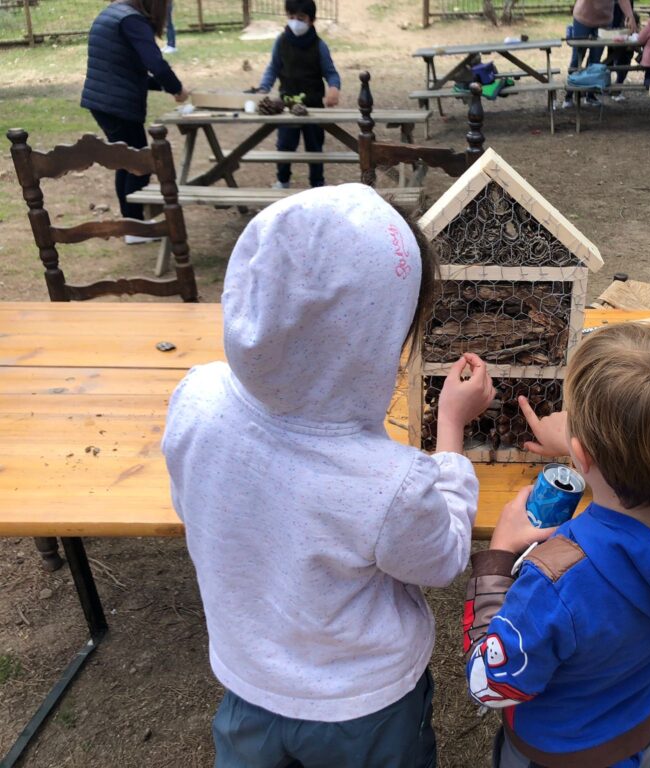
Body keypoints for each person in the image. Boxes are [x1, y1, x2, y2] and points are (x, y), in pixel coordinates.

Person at [163, 184, 494, 768]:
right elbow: (442, 558)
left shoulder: (197, 396)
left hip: (250, 686)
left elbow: (199, 501)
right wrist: (450, 431)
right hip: (367, 713)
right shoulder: (390, 482)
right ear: (374, 341)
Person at [462, 324, 650, 768]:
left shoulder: (558, 578)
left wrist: (499, 557)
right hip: (640, 730)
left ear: (581, 457)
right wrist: (580, 444)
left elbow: (490, 685)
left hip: (556, 755)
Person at [80, 0, 188, 242]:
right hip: (115, 104)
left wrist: (166, 87)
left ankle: (131, 225)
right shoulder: (132, 20)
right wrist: (177, 89)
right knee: (139, 163)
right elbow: (156, 65)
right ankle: (136, 228)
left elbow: (125, 70)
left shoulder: (113, 13)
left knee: (125, 160)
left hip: (103, 102)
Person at [257, 0, 341, 190]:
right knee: (285, 146)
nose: (295, 22)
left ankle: (317, 184)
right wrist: (263, 87)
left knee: (315, 147)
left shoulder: (319, 46)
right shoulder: (281, 42)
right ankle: (283, 180)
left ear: (311, 20)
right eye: (291, 17)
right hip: (286, 106)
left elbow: (330, 72)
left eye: (301, 18)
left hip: (313, 107)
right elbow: (273, 68)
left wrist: (334, 88)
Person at [563, 0, 638, 108]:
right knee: (578, 56)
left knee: (595, 60)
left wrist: (630, 16)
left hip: (604, 22)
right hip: (583, 19)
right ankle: (569, 95)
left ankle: (590, 95)